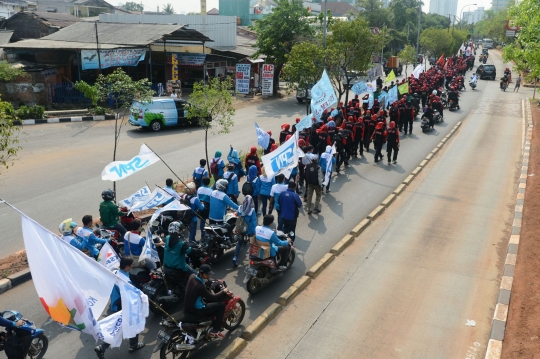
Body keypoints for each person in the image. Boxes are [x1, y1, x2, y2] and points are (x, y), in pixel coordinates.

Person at [95, 257, 145, 359]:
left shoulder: (116, 272)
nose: (132, 266)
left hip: (115, 304)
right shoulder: (125, 280)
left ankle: (102, 347)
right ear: (126, 267)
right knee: (132, 323)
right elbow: (130, 296)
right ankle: (133, 345)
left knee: (117, 327)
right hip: (123, 305)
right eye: (131, 265)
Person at [184, 264, 229, 340]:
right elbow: (212, 296)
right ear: (201, 274)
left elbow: (205, 283)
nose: (208, 276)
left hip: (188, 305)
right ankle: (215, 331)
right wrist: (223, 291)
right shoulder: (200, 287)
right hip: (198, 309)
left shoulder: (192, 276)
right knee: (221, 306)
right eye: (207, 275)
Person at [232, 195, 257, 267]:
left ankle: (235, 257)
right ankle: (251, 257)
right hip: (249, 229)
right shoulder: (251, 210)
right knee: (251, 243)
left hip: (241, 228)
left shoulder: (240, 208)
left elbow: (237, 214)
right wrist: (253, 231)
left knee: (239, 242)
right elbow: (253, 221)